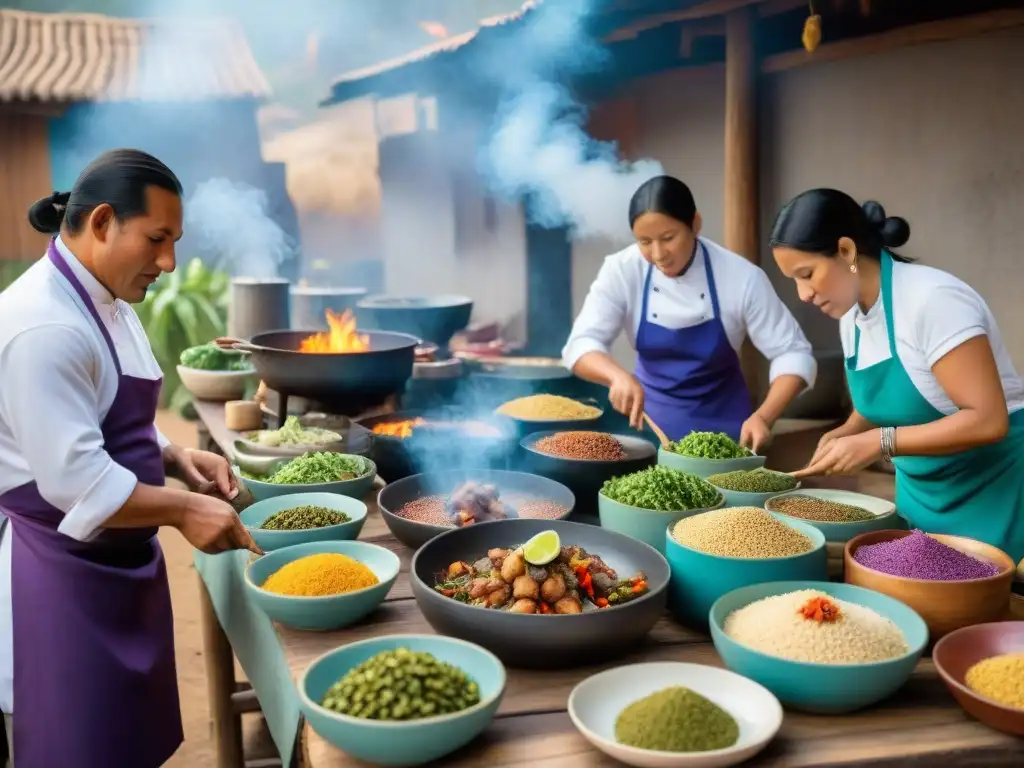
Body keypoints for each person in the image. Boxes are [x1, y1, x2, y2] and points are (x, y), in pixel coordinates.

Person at [0, 149, 262, 767]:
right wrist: (183, 510)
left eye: (174, 241)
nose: (169, 262)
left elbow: (110, 419)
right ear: (100, 224)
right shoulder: (43, 326)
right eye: (157, 239)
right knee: (78, 747)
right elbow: (75, 482)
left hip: (121, 566)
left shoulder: (108, 298)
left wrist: (172, 456)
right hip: (60, 577)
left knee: (125, 745)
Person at [772, 188, 1024, 562]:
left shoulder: (933, 300)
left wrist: (880, 442)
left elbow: (988, 420)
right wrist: (848, 431)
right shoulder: (852, 319)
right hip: (921, 498)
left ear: (846, 251)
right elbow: (881, 404)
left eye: (806, 274)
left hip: (992, 489)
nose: (803, 294)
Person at [562, 175, 817, 449]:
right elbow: (580, 344)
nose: (658, 254)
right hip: (649, 433)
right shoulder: (622, 270)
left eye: (668, 238)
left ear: (695, 224)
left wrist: (764, 418)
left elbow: (793, 353)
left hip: (726, 437)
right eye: (644, 242)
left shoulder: (741, 277)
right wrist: (617, 376)